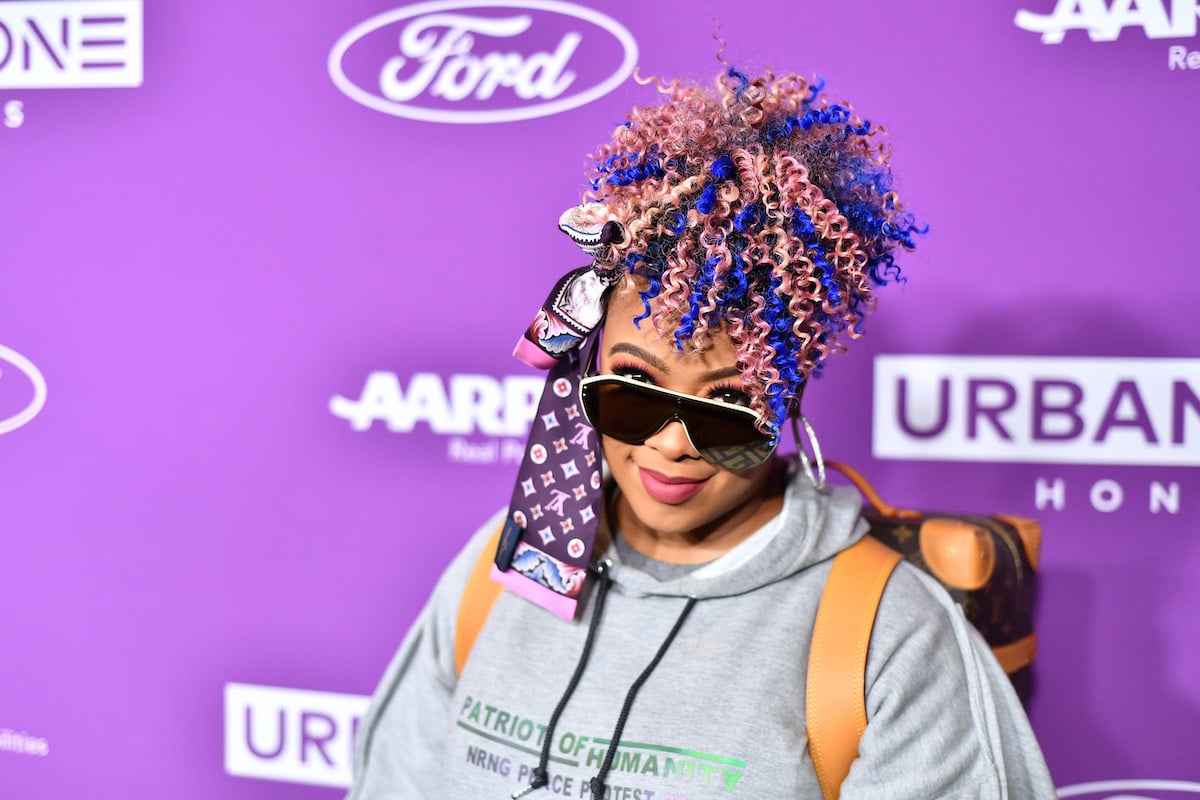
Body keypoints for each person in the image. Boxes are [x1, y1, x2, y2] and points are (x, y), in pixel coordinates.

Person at [347, 67, 1056, 799]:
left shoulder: (892, 639)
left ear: (787, 405)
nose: (673, 442)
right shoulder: (502, 564)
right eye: (633, 390)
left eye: (726, 409)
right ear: (585, 367)